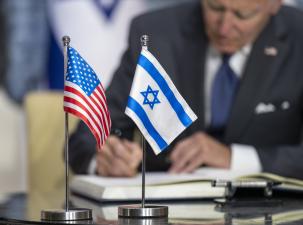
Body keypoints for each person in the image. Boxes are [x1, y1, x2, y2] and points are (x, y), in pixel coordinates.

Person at [69, 0, 303, 179]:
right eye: (215, 8)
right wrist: (105, 159)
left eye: (242, 15)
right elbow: (85, 138)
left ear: (274, 5)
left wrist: (232, 157)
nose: (224, 27)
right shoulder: (155, 33)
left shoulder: (298, 36)